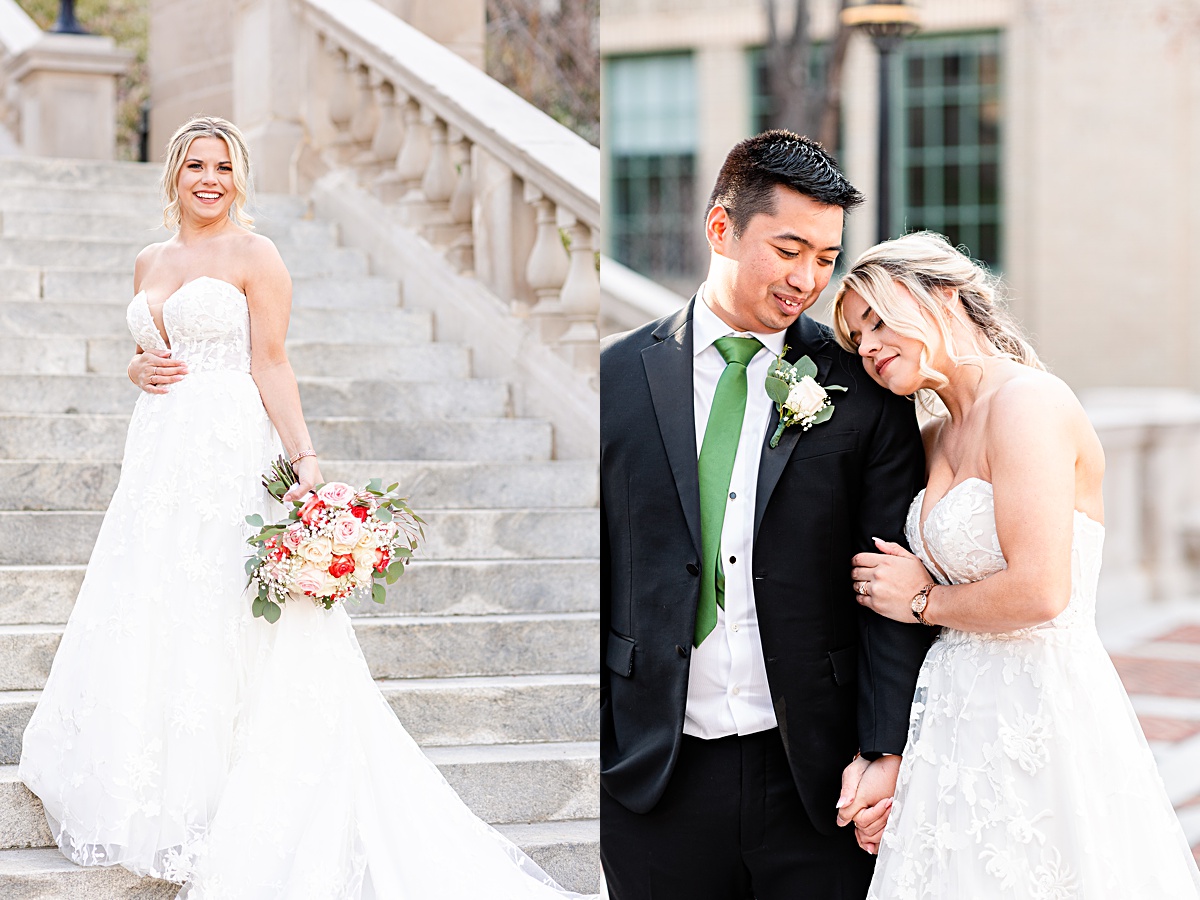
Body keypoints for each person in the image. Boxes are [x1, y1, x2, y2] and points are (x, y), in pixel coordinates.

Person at [18, 115, 593, 900]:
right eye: (195, 165)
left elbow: (272, 360)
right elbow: (155, 343)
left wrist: (307, 469)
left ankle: (233, 795)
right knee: (159, 604)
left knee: (228, 602)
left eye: (223, 164)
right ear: (175, 175)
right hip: (157, 456)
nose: (210, 178)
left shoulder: (259, 255)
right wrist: (135, 368)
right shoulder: (149, 260)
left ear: (239, 174)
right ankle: (157, 787)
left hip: (227, 446)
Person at [599, 130, 935, 899]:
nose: (808, 279)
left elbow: (886, 575)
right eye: (790, 249)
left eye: (825, 257)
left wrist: (885, 748)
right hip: (656, 774)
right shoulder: (618, 377)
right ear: (721, 228)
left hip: (819, 781)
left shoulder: (863, 388)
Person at [832, 231, 1200, 897]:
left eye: (879, 320)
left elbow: (1040, 591)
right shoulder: (935, 432)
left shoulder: (1030, 403)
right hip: (949, 717)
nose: (869, 347)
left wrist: (922, 602)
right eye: (858, 337)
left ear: (943, 298)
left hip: (1038, 710)